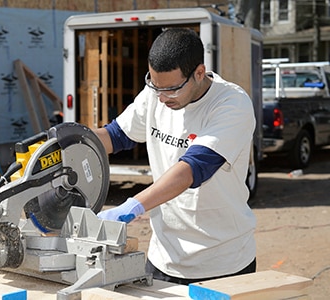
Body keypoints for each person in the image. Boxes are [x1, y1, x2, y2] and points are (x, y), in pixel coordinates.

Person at [95, 28, 257, 285]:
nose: (161, 98)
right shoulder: (157, 93)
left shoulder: (231, 104)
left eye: (171, 89)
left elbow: (192, 169)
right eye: (154, 85)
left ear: (199, 73)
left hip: (223, 263)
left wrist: (133, 205)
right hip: (164, 260)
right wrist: (69, 144)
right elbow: (115, 136)